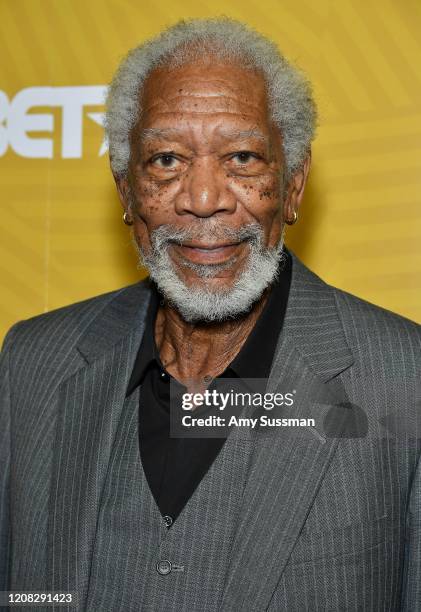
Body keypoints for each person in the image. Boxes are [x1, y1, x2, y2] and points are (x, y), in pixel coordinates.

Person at [1, 17, 420, 612]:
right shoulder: (32, 363)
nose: (203, 199)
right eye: (167, 160)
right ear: (125, 191)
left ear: (294, 186)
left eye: (243, 157)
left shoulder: (404, 380)